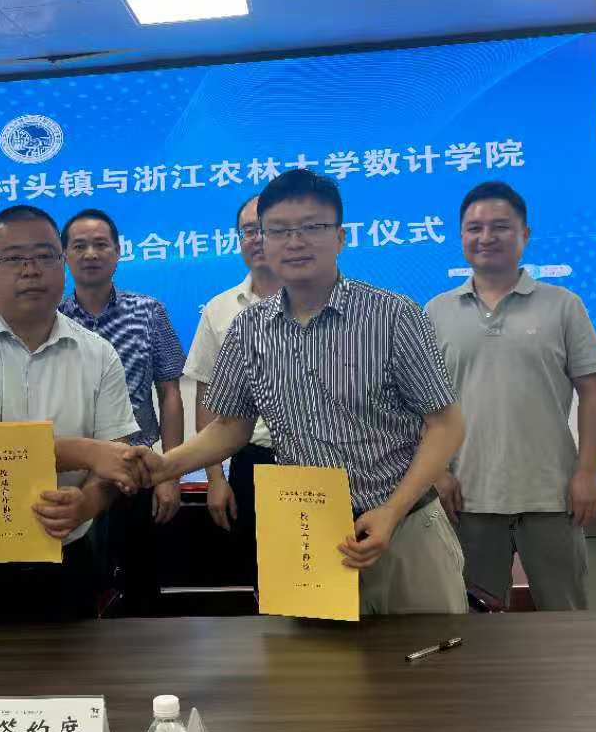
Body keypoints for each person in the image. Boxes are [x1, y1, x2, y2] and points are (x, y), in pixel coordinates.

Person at [154, 169, 468, 615]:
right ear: (263, 241)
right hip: (310, 533)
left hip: (406, 528)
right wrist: (165, 466)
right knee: (320, 660)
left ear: (340, 237)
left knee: (431, 654)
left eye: (311, 227)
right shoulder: (248, 329)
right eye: (279, 230)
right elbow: (230, 427)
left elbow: (446, 424)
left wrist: (393, 511)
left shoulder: (394, 316)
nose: (295, 242)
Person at [0, 204, 151, 623]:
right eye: (13, 259)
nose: (30, 270)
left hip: (67, 562)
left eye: (45, 256)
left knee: (76, 668)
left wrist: (86, 503)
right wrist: (88, 452)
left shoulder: (99, 354)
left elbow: (113, 464)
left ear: (62, 264)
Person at [425, 181, 596, 610]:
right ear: (461, 236)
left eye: (500, 226)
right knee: (475, 628)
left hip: (552, 495)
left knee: (566, 621)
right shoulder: (435, 312)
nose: (486, 237)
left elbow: (593, 395)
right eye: (474, 228)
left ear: (525, 234)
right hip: (467, 498)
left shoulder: (564, 305)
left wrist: (587, 473)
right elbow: (423, 405)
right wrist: (436, 473)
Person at [57, 207, 186, 613]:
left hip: (138, 469)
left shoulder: (149, 312)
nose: (90, 254)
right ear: (65, 256)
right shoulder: (52, 318)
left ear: (118, 252)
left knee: (140, 587)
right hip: (72, 473)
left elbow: (170, 393)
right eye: (79, 246)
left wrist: (170, 474)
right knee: (76, 588)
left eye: (100, 244)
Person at [182, 193, 279, 590]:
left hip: (320, 460)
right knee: (260, 576)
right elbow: (206, 399)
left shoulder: (322, 303)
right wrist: (214, 478)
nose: (257, 239)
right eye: (248, 231)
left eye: (267, 229)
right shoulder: (220, 309)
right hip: (250, 461)